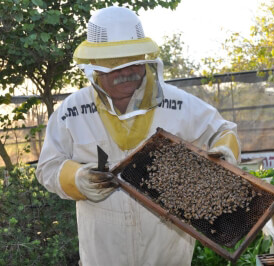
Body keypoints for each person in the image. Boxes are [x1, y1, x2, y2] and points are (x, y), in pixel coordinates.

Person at [36, 6, 240, 266]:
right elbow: (48, 166)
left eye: (132, 62)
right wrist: (76, 178)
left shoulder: (179, 103)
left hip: (168, 252)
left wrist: (224, 155)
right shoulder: (72, 111)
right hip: (103, 254)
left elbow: (223, 131)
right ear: (95, 68)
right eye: (113, 66)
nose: (125, 72)